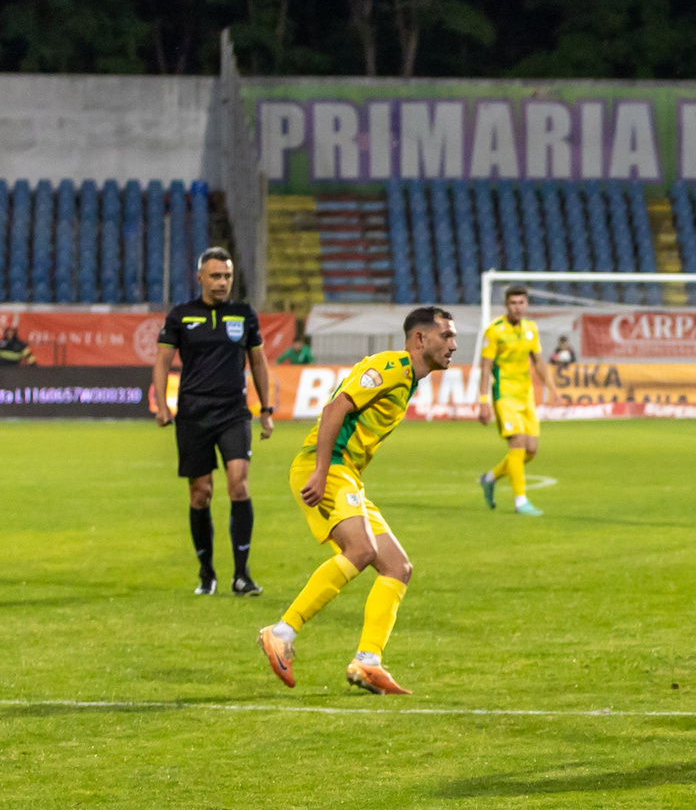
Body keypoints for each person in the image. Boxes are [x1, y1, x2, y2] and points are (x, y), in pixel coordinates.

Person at [256, 306, 458, 696]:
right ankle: (280, 633)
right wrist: (320, 470)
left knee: (397, 567)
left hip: (346, 473)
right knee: (362, 549)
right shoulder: (389, 368)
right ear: (420, 339)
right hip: (328, 466)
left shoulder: (408, 379)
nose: (453, 344)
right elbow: (335, 409)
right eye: (446, 336)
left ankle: (367, 662)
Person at [152, 248, 274, 597]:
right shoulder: (181, 315)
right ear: (200, 278)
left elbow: (259, 363)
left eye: (227, 276)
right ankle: (207, 573)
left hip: (233, 412)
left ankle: (241, 575)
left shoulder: (243, 314)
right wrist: (162, 404)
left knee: (239, 485)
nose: (222, 282)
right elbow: (162, 362)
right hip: (193, 414)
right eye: (216, 276)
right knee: (200, 493)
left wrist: (266, 408)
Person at [475, 284, 553, 517]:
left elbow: (538, 361)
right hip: (505, 395)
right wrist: (483, 400)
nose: (517, 307)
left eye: (521, 303)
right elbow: (486, 367)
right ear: (506, 305)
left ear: (526, 304)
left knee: (530, 451)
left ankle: (489, 479)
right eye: (513, 303)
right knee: (517, 445)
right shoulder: (495, 330)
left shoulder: (531, 328)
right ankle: (521, 502)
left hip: (526, 395)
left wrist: (552, 388)